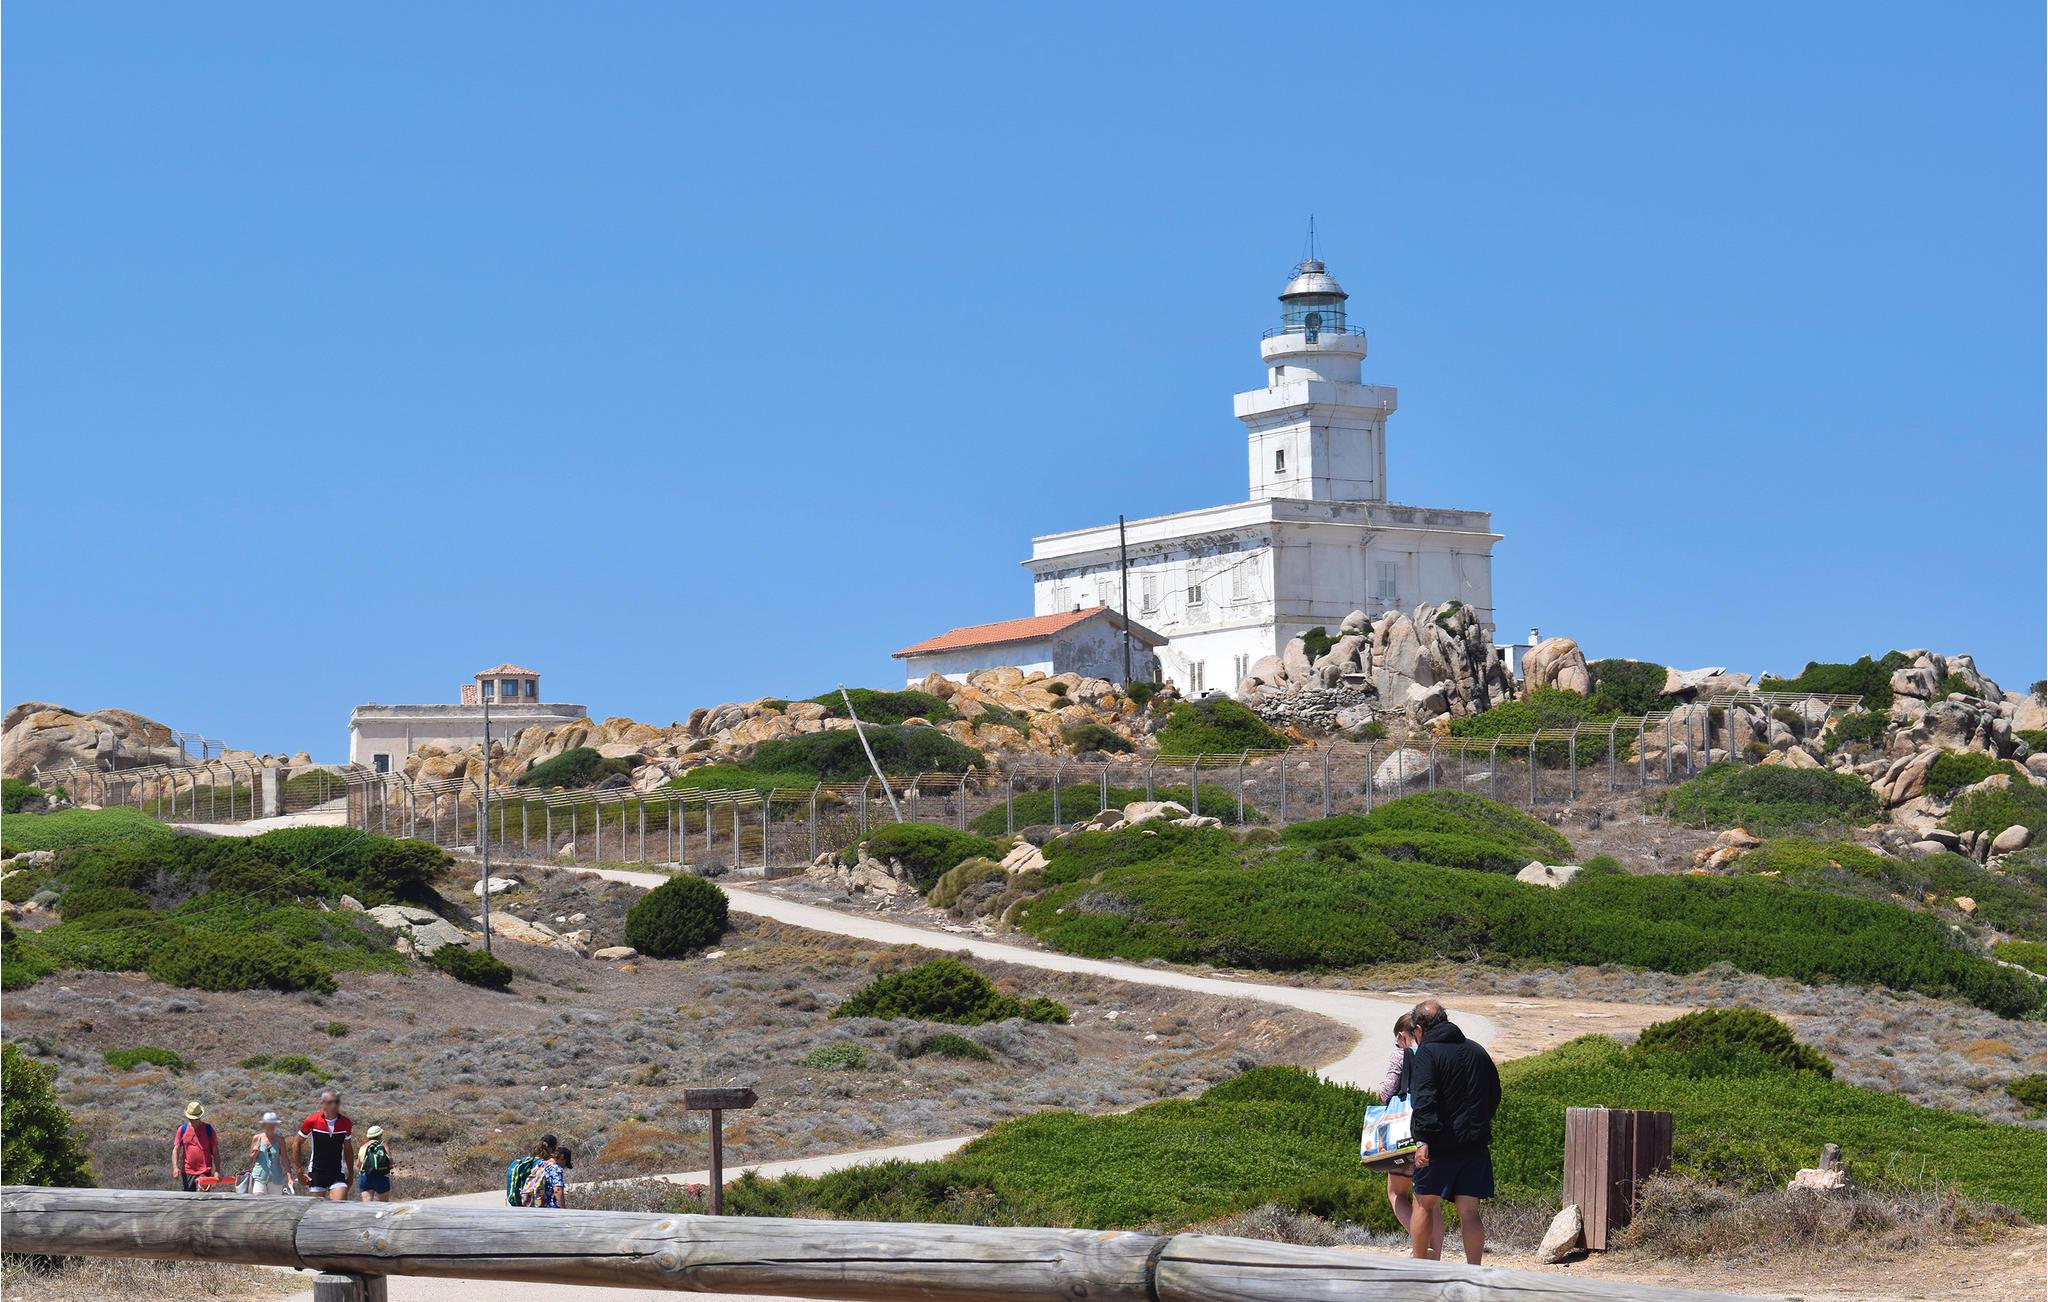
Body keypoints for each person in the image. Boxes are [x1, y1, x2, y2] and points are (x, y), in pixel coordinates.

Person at [1407, 998, 1501, 1266]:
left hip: (1438, 1145)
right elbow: (1494, 1093)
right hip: (1475, 1145)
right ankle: (1474, 1271)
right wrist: (1478, 1124)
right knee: (1469, 1211)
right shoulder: (1477, 1050)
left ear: (1420, 1029)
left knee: (1423, 1204)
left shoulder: (1427, 1053)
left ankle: (1419, 1268)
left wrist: (1423, 1139)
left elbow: (1424, 1099)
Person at [1378, 1013, 1432, 1245]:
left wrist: (1380, 1090)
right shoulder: (1433, 1054)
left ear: (1401, 1036)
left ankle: (1421, 1244)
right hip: (1431, 1135)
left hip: (1405, 1135)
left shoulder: (1400, 1055)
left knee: (1396, 1194)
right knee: (1429, 1202)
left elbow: (1387, 1092)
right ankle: (1435, 1252)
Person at [293, 1091, 356, 1201]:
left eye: (336, 1102)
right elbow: (296, 1143)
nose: (334, 1105)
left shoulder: (345, 1122)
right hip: (317, 1172)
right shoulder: (312, 1121)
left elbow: (348, 1148)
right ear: (323, 1103)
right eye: (330, 1102)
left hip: (337, 1172)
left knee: (340, 1205)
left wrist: (351, 1174)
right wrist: (299, 1170)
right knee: (317, 1209)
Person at [171, 1101, 220, 1192]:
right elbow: (176, 1149)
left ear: (200, 1117)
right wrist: (175, 1167)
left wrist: (217, 1171)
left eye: (195, 1119)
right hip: (187, 1172)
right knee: (188, 1199)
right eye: (191, 1119)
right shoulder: (183, 1129)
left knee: (203, 1199)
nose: (193, 1121)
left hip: (205, 1172)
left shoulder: (208, 1129)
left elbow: (215, 1151)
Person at [248, 1113, 296, 1195]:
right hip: (259, 1177)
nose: (271, 1126)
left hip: (276, 1178)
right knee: (257, 1200)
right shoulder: (257, 1138)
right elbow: (250, 1159)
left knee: (275, 1202)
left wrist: (289, 1177)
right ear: (264, 1125)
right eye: (268, 1124)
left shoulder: (280, 1140)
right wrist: (254, 1152)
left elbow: (285, 1160)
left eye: (273, 1124)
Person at [518, 1136, 567, 1209]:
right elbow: (557, 1190)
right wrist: (563, 1209)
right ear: (551, 1148)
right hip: (546, 1206)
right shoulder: (551, 1166)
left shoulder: (537, 1162)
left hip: (530, 1202)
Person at [357, 1125, 394, 1202]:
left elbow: (358, 1165)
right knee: (383, 1204)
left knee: (367, 1203)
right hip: (381, 1175)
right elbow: (390, 1162)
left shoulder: (363, 1147)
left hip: (366, 1176)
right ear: (379, 1135)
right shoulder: (383, 1146)